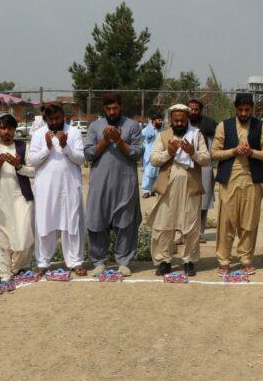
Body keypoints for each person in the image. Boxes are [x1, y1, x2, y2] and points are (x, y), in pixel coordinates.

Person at [211, 93, 263, 276]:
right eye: (241, 110)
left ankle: (246, 260)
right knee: (226, 222)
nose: (244, 113)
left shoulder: (261, 126)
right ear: (235, 109)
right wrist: (234, 151)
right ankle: (224, 261)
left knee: (249, 222)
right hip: (229, 180)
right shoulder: (224, 126)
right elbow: (214, 153)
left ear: (252, 109)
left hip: (251, 180)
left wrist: (251, 152)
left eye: (247, 110)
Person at [147, 104, 211, 276]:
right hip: (167, 187)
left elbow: (206, 159)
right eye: (176, 120)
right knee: (164, 225)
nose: (180, 123)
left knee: (191, 226)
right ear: (171, 120)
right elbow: (154, 160)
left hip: (190, 186)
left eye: (183, 120)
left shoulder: (196, 135)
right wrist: (169, 152)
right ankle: (165, 261)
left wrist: (193, 153)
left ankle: (189, 261)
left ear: (187, 119)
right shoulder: (163, 135)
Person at [85, 93, 143, 276]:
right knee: (96, 220)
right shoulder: (95, 127)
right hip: (100, 183)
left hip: (125, 182)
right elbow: (88, 154)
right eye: (109, 109)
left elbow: (137, 153)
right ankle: (98, 261)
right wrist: (106, 140)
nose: (112, 112)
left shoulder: (132, 126)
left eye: (115, 108)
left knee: (126, 222)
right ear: (104, 109)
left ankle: (124, 261)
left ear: (121, 107)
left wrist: (118, 140)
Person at [29, 102, 87, 276]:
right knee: (45, 223)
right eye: (51, 119)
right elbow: (32, 161)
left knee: (72, 224)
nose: (54, 122)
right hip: (46, 188)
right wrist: (47, 147)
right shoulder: (38, 134)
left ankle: (75, 261)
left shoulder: (74, 132)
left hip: (69, 186)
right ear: (46, 119)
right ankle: (42, 262)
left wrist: (65, 145)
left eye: (58, 118)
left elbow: (80, 159)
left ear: (63, 116)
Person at [0, 114, 36, 281]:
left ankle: (20, 267)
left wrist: (18, 166)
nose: (6, 132)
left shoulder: (23, 147)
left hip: (21, 198)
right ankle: (4, 272)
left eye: (10, 128)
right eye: (3, 128)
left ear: (15, 129)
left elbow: (34, 171)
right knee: (0, 237)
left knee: (25, 234)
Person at [187, 98, 218, 241]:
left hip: (204, 164)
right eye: (190, 109)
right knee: (185, 200)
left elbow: (213, 145)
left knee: (203, 201)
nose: (193, 112)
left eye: (196, 109)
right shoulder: (182, 123)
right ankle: (184, 234)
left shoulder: (209, 124)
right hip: (186, 164)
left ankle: (199, 233)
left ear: (201, 111)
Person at [140, 110, 164, 198]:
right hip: (149, 155)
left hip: (159, 154)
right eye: (159, 120)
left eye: (161, 120)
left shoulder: (161, 130)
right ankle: (146, 191)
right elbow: (139, 139)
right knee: (148, 173)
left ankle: (153, 190)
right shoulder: (146, 130)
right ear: (154, 120)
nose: (160, 121)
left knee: (156, 173)